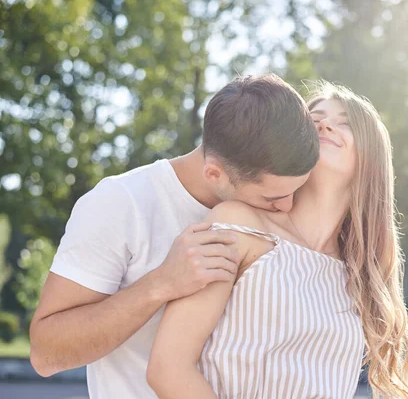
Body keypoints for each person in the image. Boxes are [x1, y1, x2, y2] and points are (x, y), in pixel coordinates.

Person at [29, 74, 320, 399]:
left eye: (297, 190)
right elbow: (45, 353)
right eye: (271, 198)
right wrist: (161, 284)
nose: (288, 207)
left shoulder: (279, 210)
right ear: (214, 173)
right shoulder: (121, 202)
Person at [147, 82, 408, 399]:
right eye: (313, 120)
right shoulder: (239, 224)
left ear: (371, 158)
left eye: (345, 122)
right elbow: (168, 368)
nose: (324, 125)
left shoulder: (357, 275)